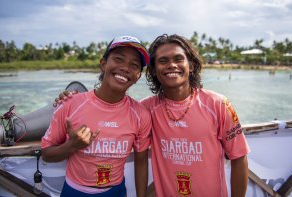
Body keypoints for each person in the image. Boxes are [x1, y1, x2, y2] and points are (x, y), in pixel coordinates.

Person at [56, 34, 250, 197]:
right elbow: (112, 106)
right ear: (155, 71)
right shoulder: (147, 109)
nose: (171, 65)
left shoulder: (217, 104)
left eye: (178, 59)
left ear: (191, 65)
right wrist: (70, 98)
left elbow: (239, 156)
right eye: (163, 61)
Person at [41, 35, 152, 197]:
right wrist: (71, 146)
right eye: (119, 59)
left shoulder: (140, 114)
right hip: (74, 191)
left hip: (116, 191)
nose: (125, 68)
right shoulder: (70, 104)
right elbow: (46, 154)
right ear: (103, 64)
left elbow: (141, 162)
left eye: (134, 65)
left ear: (138, 76)